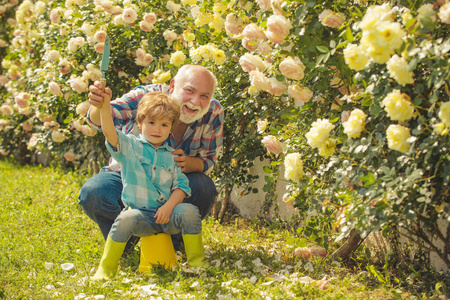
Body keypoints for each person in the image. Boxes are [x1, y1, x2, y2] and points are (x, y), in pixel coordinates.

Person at [78, 65, 224, 252]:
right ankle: (124, 243)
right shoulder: (147, 98)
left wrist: (189, 163)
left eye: (205, 95)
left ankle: (172, 245)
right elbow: (102, 119)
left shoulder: (214, 111)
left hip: (171, 185)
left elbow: (210, 158)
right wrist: (99, 104)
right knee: (94, 192)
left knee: (204, 187)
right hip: (129, 179)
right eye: (189, 90)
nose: (196, 101)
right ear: (173, 85)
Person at [92, 91, 207, 280]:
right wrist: (104, 106)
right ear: (140, 123)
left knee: (189, 210)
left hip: (168, 217)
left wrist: (169, 207)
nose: (157, 129)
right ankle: (106, 268)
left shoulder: (172, 155)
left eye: (164, 125)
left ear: (170, 129)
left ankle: (197, 263)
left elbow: (181, 187)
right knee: (126, 218)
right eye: (151, 123)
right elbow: (109, 132)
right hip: (142, 218)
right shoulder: (129, 147)